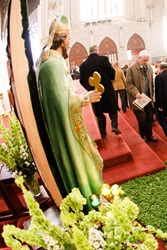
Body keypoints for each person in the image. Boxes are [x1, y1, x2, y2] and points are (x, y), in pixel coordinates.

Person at [36, 16, 103, 210]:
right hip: (65, 130)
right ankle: (87, 201)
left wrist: (80, 97)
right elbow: (59, 104)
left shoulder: (49, 61)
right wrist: (84, 99)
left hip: (63, 125)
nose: (69, 43)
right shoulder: (52, 65)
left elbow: (63, 94)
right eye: (68, 38)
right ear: (62, 39)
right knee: (81, 165)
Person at [80, 45, 121, 138]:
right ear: (97, 50)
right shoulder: (104, 59)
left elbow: (81, 81)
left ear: (89, 52)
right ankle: (114, 126)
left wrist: (89, 88)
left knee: (99, 113)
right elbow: (112, 75)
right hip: (107, 92)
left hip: (94, 93)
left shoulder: (83, 65)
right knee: (113, 110)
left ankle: (102, 133)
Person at [126, 50, 158, 142]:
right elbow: (128, 84)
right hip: (138, 98)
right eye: (144, 60)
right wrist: (136, 93)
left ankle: (149, 135)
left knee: (149, 118)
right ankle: (142, 135)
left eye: (147, 60)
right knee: (142, 119)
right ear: (139, 58)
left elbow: (151, 83)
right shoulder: (131, 69)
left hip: (148, 98)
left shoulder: (149, 68)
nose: (146, 62)